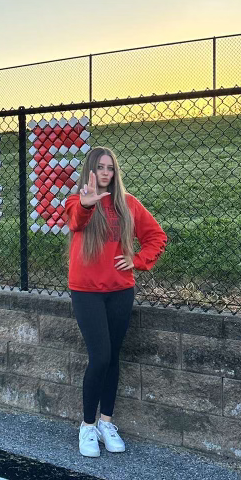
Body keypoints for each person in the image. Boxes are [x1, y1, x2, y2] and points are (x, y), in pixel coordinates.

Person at [63, 147, 167, 457]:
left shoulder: (128, 204)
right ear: (90, 171)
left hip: (120, 290)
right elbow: (74, 222)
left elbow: (157, 237)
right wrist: (86, 203)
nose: (106, 172)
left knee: (114, 356)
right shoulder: (76, 201)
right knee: (100, 357)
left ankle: (106, 423)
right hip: (86, 291)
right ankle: (87, 426)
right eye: (100, 167)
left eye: (110, 167)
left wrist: (137, 260)